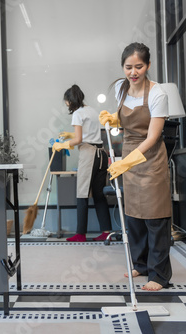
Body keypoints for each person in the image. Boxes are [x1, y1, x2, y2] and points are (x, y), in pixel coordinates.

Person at [99, 42, 172, 291]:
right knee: (134, 216)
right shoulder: (122, 88)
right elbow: (125, 118)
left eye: (138, 67)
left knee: (155, 216)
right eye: (128, 67)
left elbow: (152, 136)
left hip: (150, 158)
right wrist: (114, 118)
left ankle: (159, 275)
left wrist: (127, 161)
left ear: (148, 66)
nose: (133, 72)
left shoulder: (158, 93)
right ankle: (141, 265)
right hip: (129, 153)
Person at [52, 84, 112, 242]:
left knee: (82, 193)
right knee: (99, 195)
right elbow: (89, 133)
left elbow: (79, 140)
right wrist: (69, 133)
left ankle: (80, 234)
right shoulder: (92, 111)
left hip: (89, 154)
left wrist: (62, 145)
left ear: (70, 101)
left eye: (67, 103)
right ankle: (107, 232)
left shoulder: (77, 114)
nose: (67, 106)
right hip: (101, 155)